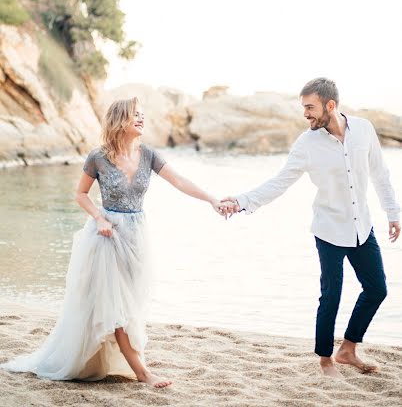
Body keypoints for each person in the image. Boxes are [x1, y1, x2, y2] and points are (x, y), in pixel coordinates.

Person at [0, 97, 228, 388]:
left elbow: (179, 181)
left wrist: (211, 200)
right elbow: (80, 194)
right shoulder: (98, 157)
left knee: (130, 303)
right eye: (136, 115)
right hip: (106, 236)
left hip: (137, 235)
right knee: (116, 305)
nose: (142, 119)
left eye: (143, 114)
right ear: (121, 119)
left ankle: (110, 361)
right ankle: (143, 373)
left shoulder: (148, 155)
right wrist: (99, 218)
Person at [221, 77, 400, 377]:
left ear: (330, 105)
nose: (305, 114)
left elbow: (380, 173)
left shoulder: (364, 130)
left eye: (310, 107)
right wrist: (241, 201)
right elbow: (280, 182)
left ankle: (348, 348)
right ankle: (325, 359)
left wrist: (392, 212)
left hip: (362, 227)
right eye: (303, 107)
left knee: (377, 289)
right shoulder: (306, 144)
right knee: (331, 295)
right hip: (329, 230)